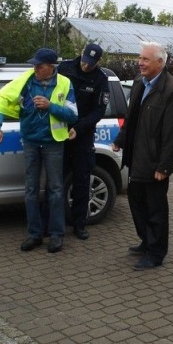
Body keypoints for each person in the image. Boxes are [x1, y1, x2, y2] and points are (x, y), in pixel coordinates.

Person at [0, 48, 78, 254]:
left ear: (51, 67)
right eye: (34, 65)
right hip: (30, 141)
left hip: (54, 143)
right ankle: (34, 234)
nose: (35, 68)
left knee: (55, 189)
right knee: (31, 190)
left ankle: (56, 235)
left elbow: (73, 115)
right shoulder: (26, 81)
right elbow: (0, 99)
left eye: (40, 65)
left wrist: (50, 106)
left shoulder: (65, 83)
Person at [112, 41, 173, 271]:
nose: (140, 63)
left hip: (154, 162)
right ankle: (146, 240)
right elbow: (131, 117)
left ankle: (156, 253)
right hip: (136, 157)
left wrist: (165, 166)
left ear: (159, 63)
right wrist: (120, 139)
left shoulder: (172, 91)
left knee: (155, 209)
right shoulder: (139, 82)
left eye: (145, 59)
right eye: (140, 58)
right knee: (137, 203)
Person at [57, 43, 110, 240]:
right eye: (85, 61)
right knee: (56, 181)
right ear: (81, 54)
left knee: (82, 181)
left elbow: (99, 110)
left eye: (91, 63)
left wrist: (78, 129)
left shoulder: (100, 79)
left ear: (99, 61)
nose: (87, 66)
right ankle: (54, 224)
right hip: (60, 132)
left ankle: (80, 224)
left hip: (83, 135)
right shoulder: (64, 68)